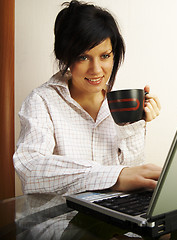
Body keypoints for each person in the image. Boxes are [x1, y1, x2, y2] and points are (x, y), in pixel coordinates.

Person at [13, 0, 162, 195]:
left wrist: (135, 125)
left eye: (105, 56)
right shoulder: (42, 101)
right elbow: (31, 167)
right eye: (83, 57)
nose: (96, 70)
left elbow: (132, 174)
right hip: (62, 219)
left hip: (114, 213)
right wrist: (112, 177)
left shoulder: (119, 103)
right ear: (65, 57)